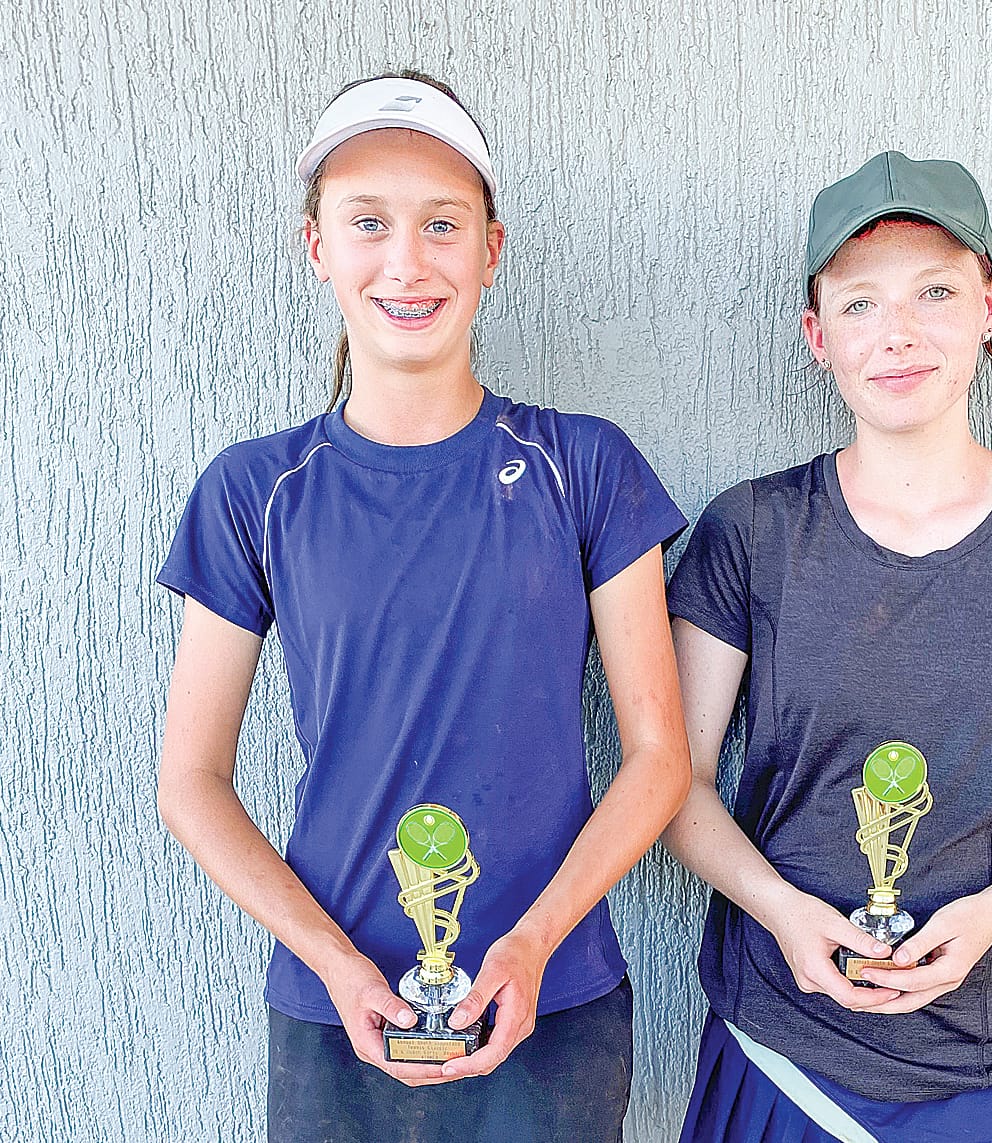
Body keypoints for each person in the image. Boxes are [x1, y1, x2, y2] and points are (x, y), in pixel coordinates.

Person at [156, 71, 690, 1143]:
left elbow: (658, 756)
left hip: (556, 1002)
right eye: (368, 222)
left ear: (490, 251)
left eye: (441, 224)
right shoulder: (254, 490)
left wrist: (534, 943)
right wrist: (336, 963)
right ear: (318, 249)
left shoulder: (582, 466)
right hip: (329, 1009)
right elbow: (191, 780)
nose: (406, 260)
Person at [662, 151, 992, 1143]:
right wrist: (779, 912)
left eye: (934, 291)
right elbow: (671, 782)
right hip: (782, 1039)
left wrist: (988, 914)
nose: (896, 334)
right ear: (816, 336)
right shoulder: (751, 532)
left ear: (990, 304)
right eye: (858, 305)